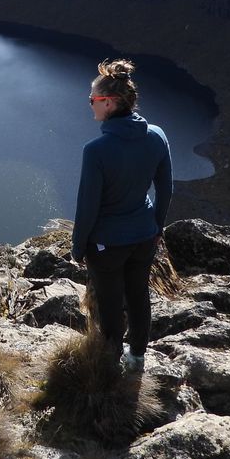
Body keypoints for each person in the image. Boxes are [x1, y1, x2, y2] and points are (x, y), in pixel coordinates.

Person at [71, 59, 173, 374]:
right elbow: (165, 188)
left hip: (107, 245)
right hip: (144, 236)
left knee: (111, 305)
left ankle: (110, 364)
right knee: (139, 296)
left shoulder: (97, 150)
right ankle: (137, 359)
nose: (90, 106)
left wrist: (78, 247)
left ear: (111, 103)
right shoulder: (157, 135)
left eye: (93, 100)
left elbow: (87, 206)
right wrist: (157, 226)